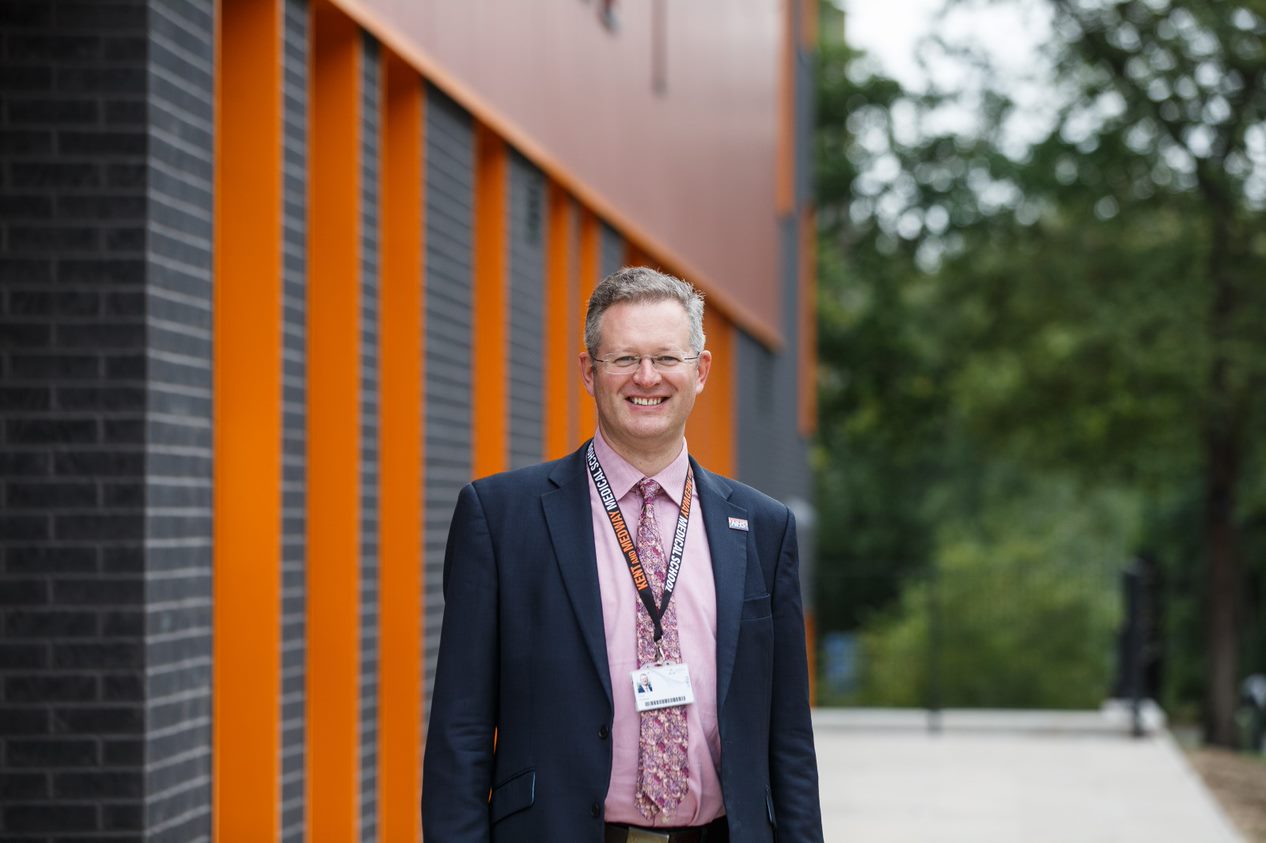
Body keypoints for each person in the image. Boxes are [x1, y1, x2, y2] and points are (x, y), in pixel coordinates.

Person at [422, 267, 823, 842]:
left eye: (667, 358)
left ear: (700, 370)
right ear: (589, 372)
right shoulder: (500, 518)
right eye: (623, 359)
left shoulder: (762, 526)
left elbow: (789, 734)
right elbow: (460, 730)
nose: (647, 378)